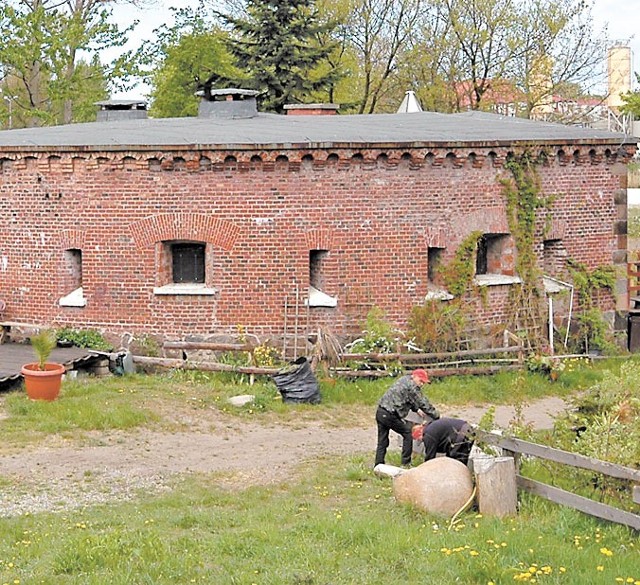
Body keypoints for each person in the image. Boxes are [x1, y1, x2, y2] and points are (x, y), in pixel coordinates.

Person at [374, 369, 440, 467]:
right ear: (414, 376)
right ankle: (405, 463)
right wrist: (437, 416)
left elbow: (407, 398)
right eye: (420, 381)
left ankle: (378, 465)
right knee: (408, 433)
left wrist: (416, 409)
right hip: (390, 414)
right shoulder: (413, 387)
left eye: (423, 382)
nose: (421, 384)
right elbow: (423, 403)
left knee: (382, 441)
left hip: (380, 411)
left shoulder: (404, 380)